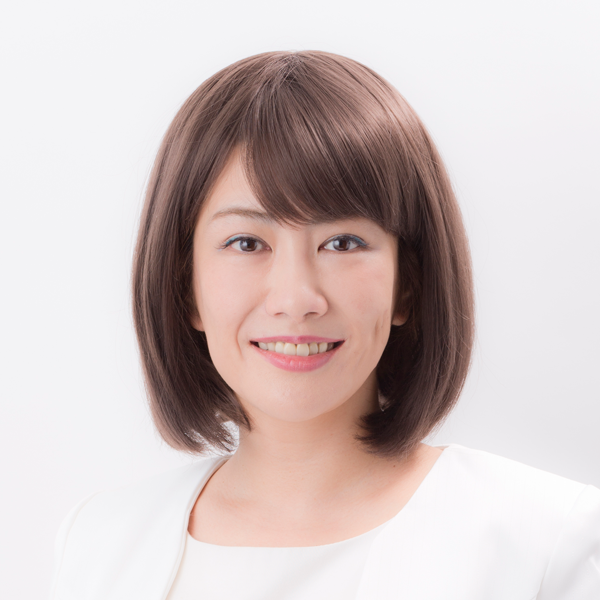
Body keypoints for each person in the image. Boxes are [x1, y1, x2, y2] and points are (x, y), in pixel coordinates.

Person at [49, 50, 600, 600]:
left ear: (407, 284)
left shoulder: (549, 544)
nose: (296, 299)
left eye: (342, 242)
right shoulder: (98, 544)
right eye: (246, 243)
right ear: (184, 286)